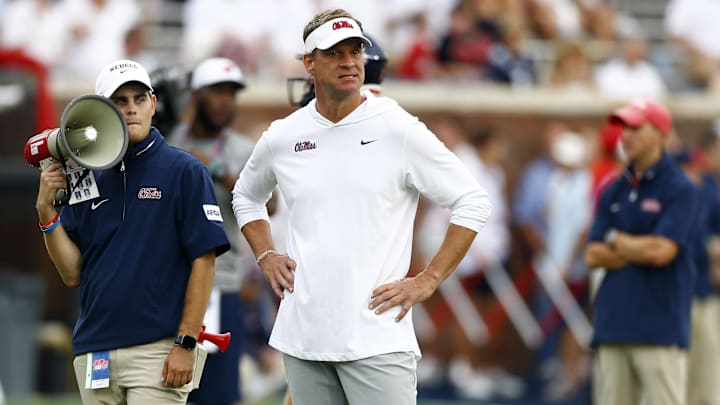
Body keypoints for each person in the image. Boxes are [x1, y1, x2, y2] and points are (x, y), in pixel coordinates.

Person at [232, 9, 492, 405]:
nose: (349, 61)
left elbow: (472, 201)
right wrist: (266, 254)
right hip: (303, 339)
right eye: (334, 53)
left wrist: (429, 279)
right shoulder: (284, 135)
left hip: (378, 339)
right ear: (309, 63)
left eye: (355, 51)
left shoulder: (397, 127)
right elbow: (245, 196)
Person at [35, 59, 230, 404]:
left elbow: (204, 261)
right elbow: (71, 273)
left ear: (153, 104)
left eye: (139, 99)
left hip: (157, 350)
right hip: (95, 350)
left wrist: (185, 343)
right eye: (119, 102)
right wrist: (47, 214)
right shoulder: (85, 175)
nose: (131, 109)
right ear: (101, 111)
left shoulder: (184, 171)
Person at [584, 99, 698, 405]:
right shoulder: (613, 190)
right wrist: (640, 246)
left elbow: (662, 252)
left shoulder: (680, 188)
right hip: (612, 325)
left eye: (636, 127)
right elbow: (593, 255)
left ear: (660, 132)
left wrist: (617, 241)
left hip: (659, 328)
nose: (626, 135)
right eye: (624, 128)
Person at [166, 57, 255, 405]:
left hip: (220, 283)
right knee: (166, 387)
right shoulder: (169, 139)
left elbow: (271, 204)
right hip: (168, 281)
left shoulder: (243, 150)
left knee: (215, 391)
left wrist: (215, 168)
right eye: (216, 91)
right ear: (195, 95)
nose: (225, 101)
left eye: (231, 93)